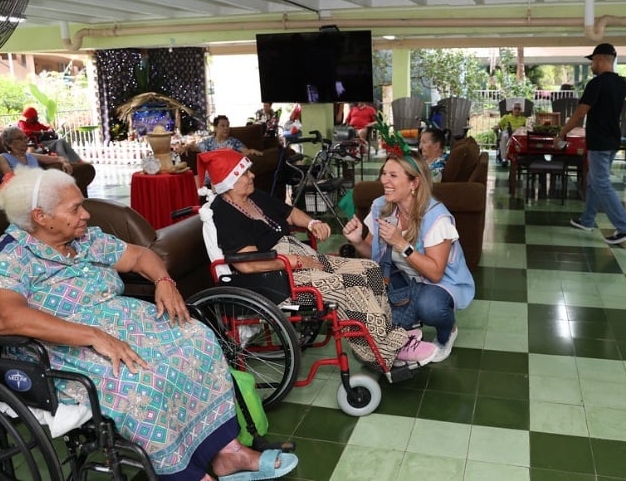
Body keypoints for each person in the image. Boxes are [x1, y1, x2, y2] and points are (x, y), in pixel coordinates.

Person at [0, 166, 299, 481]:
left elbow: (139, 256)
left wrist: (163, 280)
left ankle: (228, 452)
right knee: (143, 377)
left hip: (122, 321)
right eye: (75, 208)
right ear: (40, 217)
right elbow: (3, 317)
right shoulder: (13, 255)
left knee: (197, 338)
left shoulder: (85, 239)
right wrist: (92, 335)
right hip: (61, 345)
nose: (85, 214)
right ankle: (184, 472)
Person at [198, 149, 438, 368]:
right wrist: (294, 261)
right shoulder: (224, 213)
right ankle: (390, 349)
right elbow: (249, 264)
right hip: (277, 280)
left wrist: (312, 223)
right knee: (349, 286)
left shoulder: (253, 197)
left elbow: (290, 213)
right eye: (244, 173)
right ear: (229, 181)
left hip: (296, 259)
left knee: (369, 269)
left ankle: (382, 338)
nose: (251, 176)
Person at [343, 151, 474, 364]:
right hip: (404, 277)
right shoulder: (381, 207)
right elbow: (375, 255)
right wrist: (357, 241)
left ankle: (447, 330)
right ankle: (408, 331)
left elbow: (435, 273)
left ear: (414, 183)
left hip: (440, 284)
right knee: (375, 304)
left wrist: (401, 244)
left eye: (393, 175)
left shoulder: (436, 217)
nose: (384, 180)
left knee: (430, 306)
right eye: (383, 173)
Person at [555, 43, 626, 245]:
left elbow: (580, 112)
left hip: (599, 141)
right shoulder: (621, 83)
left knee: (600, 182)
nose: (591, 66)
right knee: (593, 179)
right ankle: (587, 219)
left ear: (600, 59)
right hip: (612, 139)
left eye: (593, 61)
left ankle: (624, 228)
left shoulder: (597, 83)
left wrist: (562, 133)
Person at [0, 127, 73, 177]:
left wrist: (65, 163)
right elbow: (10, 178)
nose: (25, 141)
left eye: (25, 138)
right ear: (9, 143)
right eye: (20, 139)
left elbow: (58, 158)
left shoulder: (30, 156)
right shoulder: (3, 157)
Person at [17, 106, 84, 163]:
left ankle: (76, 160)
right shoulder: (22, 123)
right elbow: (25, 131)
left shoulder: (36, 124)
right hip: (33, 145)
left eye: (36, 117)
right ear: (29, 118)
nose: (36, 118)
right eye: (34, 117)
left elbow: (47, 127)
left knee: (61, 141)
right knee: (59, 143)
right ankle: (66, 161)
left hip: (42, 143)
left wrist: (51, 130)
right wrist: (42, 132)